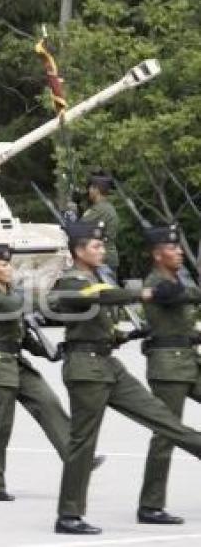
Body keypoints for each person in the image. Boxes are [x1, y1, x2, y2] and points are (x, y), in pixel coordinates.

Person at [49, 220, 201, 535]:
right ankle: (69, 515)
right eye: (96, 246)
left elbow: (100, 318)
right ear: (78, 251)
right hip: (85, 369)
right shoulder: (71, 281)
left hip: (108, 366)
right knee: (83, 442)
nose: (102, 250)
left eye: (103, 245)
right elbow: (97, 297)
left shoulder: (94, 277)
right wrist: (144, 293)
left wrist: (127, 334)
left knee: (164, 420)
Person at [0, 243, 103, 502]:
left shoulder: (10, 291)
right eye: (2, 265)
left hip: (17, 362)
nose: (8, 269)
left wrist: (49, 352)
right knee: (3, 426)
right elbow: (21, 306)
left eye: (8, 264)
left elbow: (22, 335)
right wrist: (62, 295)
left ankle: (76, 459)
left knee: (49, 403)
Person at [136, 224, 201, 525]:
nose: (178, 252)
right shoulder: (160, 284)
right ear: (157, 254)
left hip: (189, 361)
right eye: (172, 249)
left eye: (178, 247)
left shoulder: (175, 279)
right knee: (165, 435)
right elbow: (186, 296)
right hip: (168, 367)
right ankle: (150, 505)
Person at [81, 173, 120, 272]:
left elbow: (79, 228)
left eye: (90, 188)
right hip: (108, 256)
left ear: (96, 190)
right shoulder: (108, 207)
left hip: (102, 258)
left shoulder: (99, 210)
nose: (89, 191)